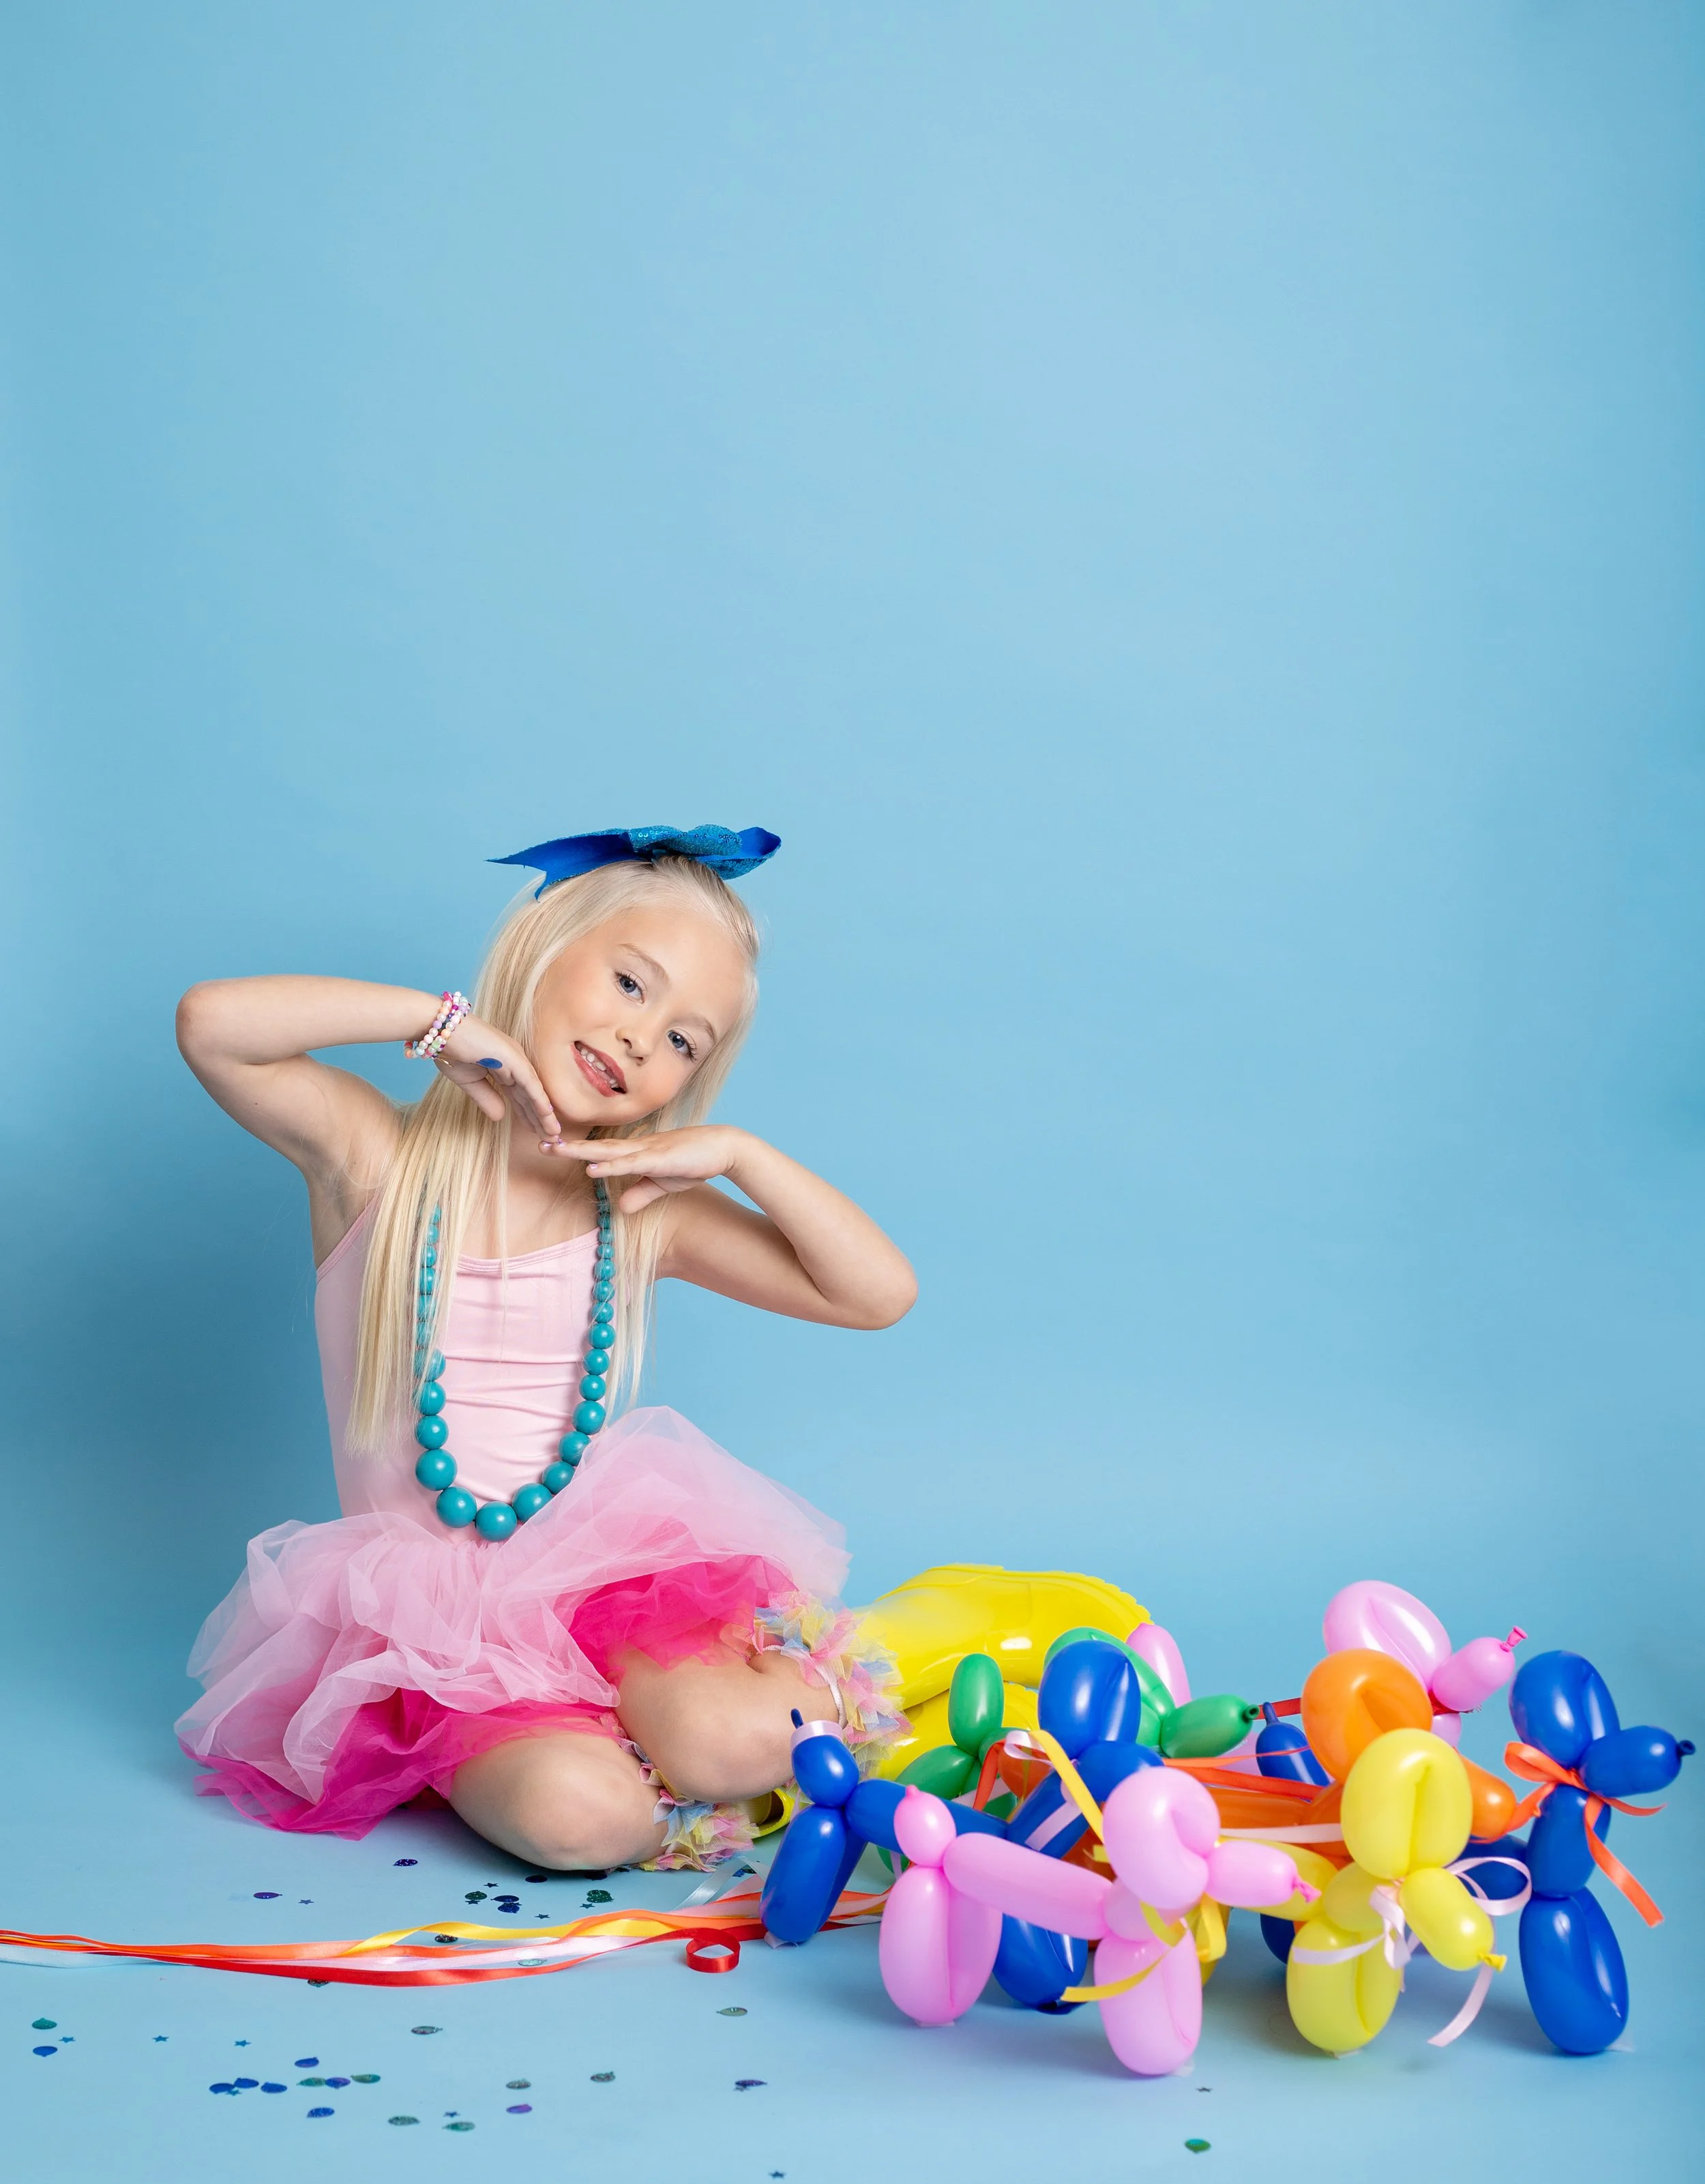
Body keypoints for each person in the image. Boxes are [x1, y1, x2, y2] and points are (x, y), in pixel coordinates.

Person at [173, 825, 915, 1872]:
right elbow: (212, 1025)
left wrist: (742, 1155)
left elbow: (877, 1293)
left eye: (684, 1040)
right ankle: (574, 1750)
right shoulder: (375, 1159)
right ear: (543, 945)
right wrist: (438, 1024)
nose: (640, 1038)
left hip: (598, 1582)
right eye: (628, 982)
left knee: (735, 1735)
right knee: (583, 1819)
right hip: (433, 1625)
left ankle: (671, 1725)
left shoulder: (642, 1215)